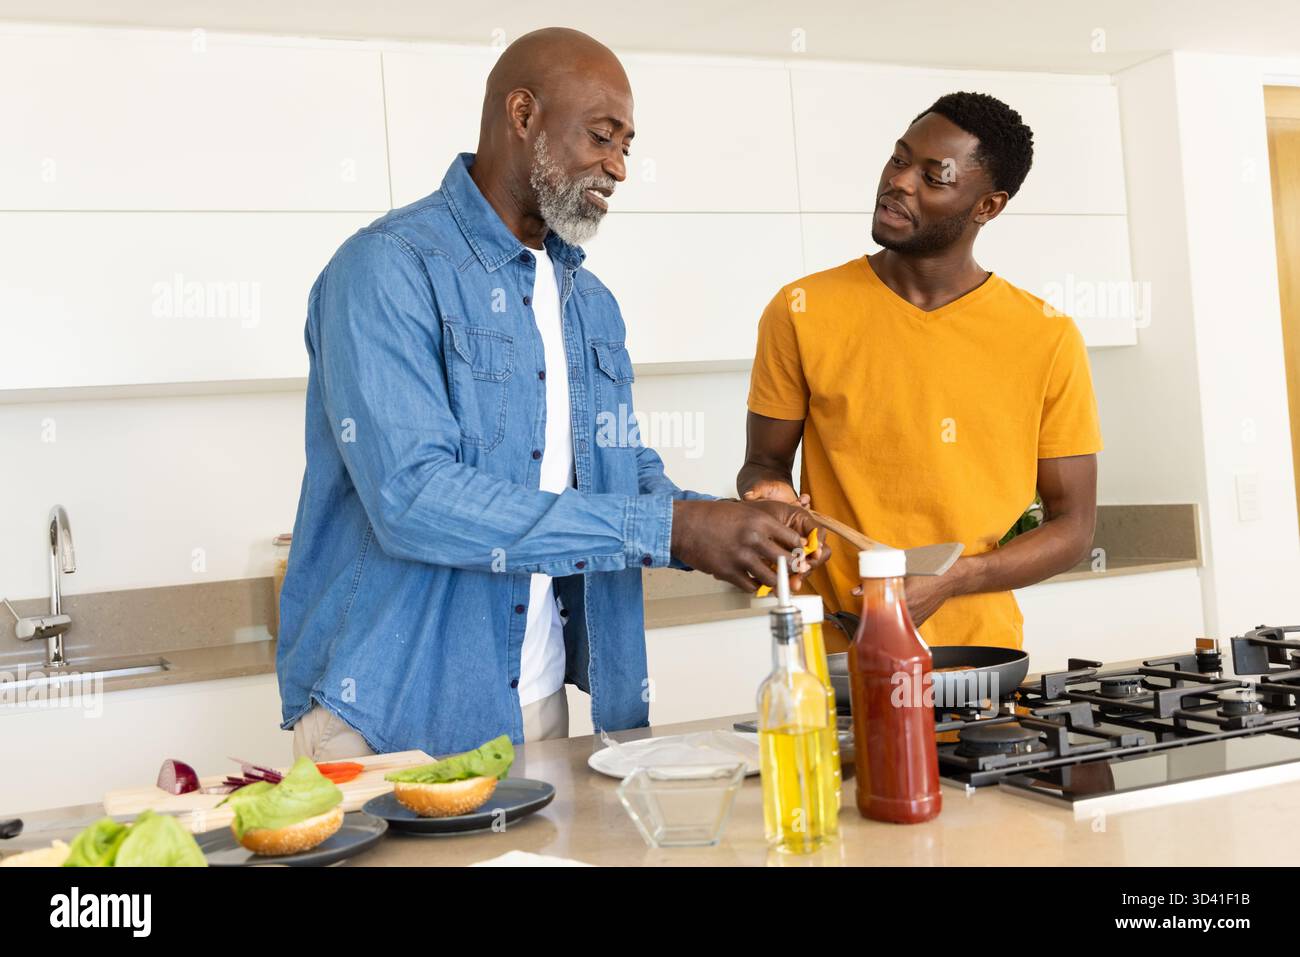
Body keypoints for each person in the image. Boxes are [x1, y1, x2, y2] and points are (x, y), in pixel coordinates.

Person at [277, 28, 825, 760]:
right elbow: (413, 499)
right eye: (603, 137)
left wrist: (732, 530)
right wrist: (672, 528)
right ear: (524, 114)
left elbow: (621, 470)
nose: (619, 166)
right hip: (389, 712)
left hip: (537, 701)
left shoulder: (587, 300)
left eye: (627, 145)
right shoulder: (386, 269)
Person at [739, 91, 1100, 651]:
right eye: (900, 159)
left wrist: (959, 578)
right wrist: (771, 503)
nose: (900, 182)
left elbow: (1073, 528)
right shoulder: (801, 309)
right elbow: (764, 465)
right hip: (838, 654)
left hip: (980, 659)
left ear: (988, 206)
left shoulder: (1047, 336)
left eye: (935, 176)